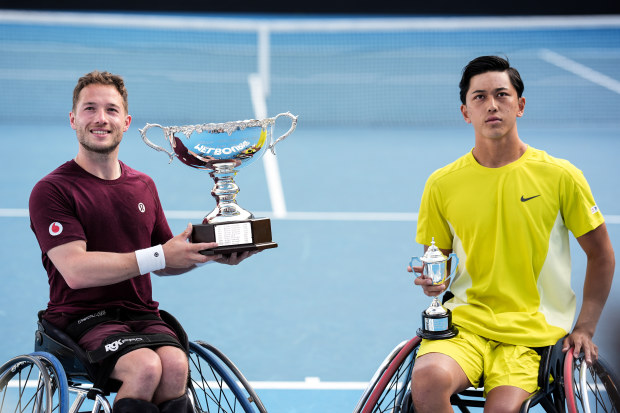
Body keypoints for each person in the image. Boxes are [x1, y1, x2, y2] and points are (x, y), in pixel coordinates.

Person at [29, 71, 254, 413]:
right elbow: (76, 271)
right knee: (145, 367)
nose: (101, 118)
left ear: (127, 121)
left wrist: (212, 252)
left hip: (139, 314)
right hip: (81, 318)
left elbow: (165, 258)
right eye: (90, 109)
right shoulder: (53, 190)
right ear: (74, 119)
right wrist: (159, 256)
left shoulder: (142, 185)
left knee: (176, 366)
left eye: (111, 110)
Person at [407, 56, 615, 413]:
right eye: (479, 97)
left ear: (519, 106)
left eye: (502, 95)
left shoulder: (561, 176)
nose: (491, 105)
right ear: (465, 112)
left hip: (532, 334)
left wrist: (586, 326)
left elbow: (601, 254)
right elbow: (437, 257)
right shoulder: (441, 183)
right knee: (426, 382)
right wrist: (432, 282)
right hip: (466, 325)